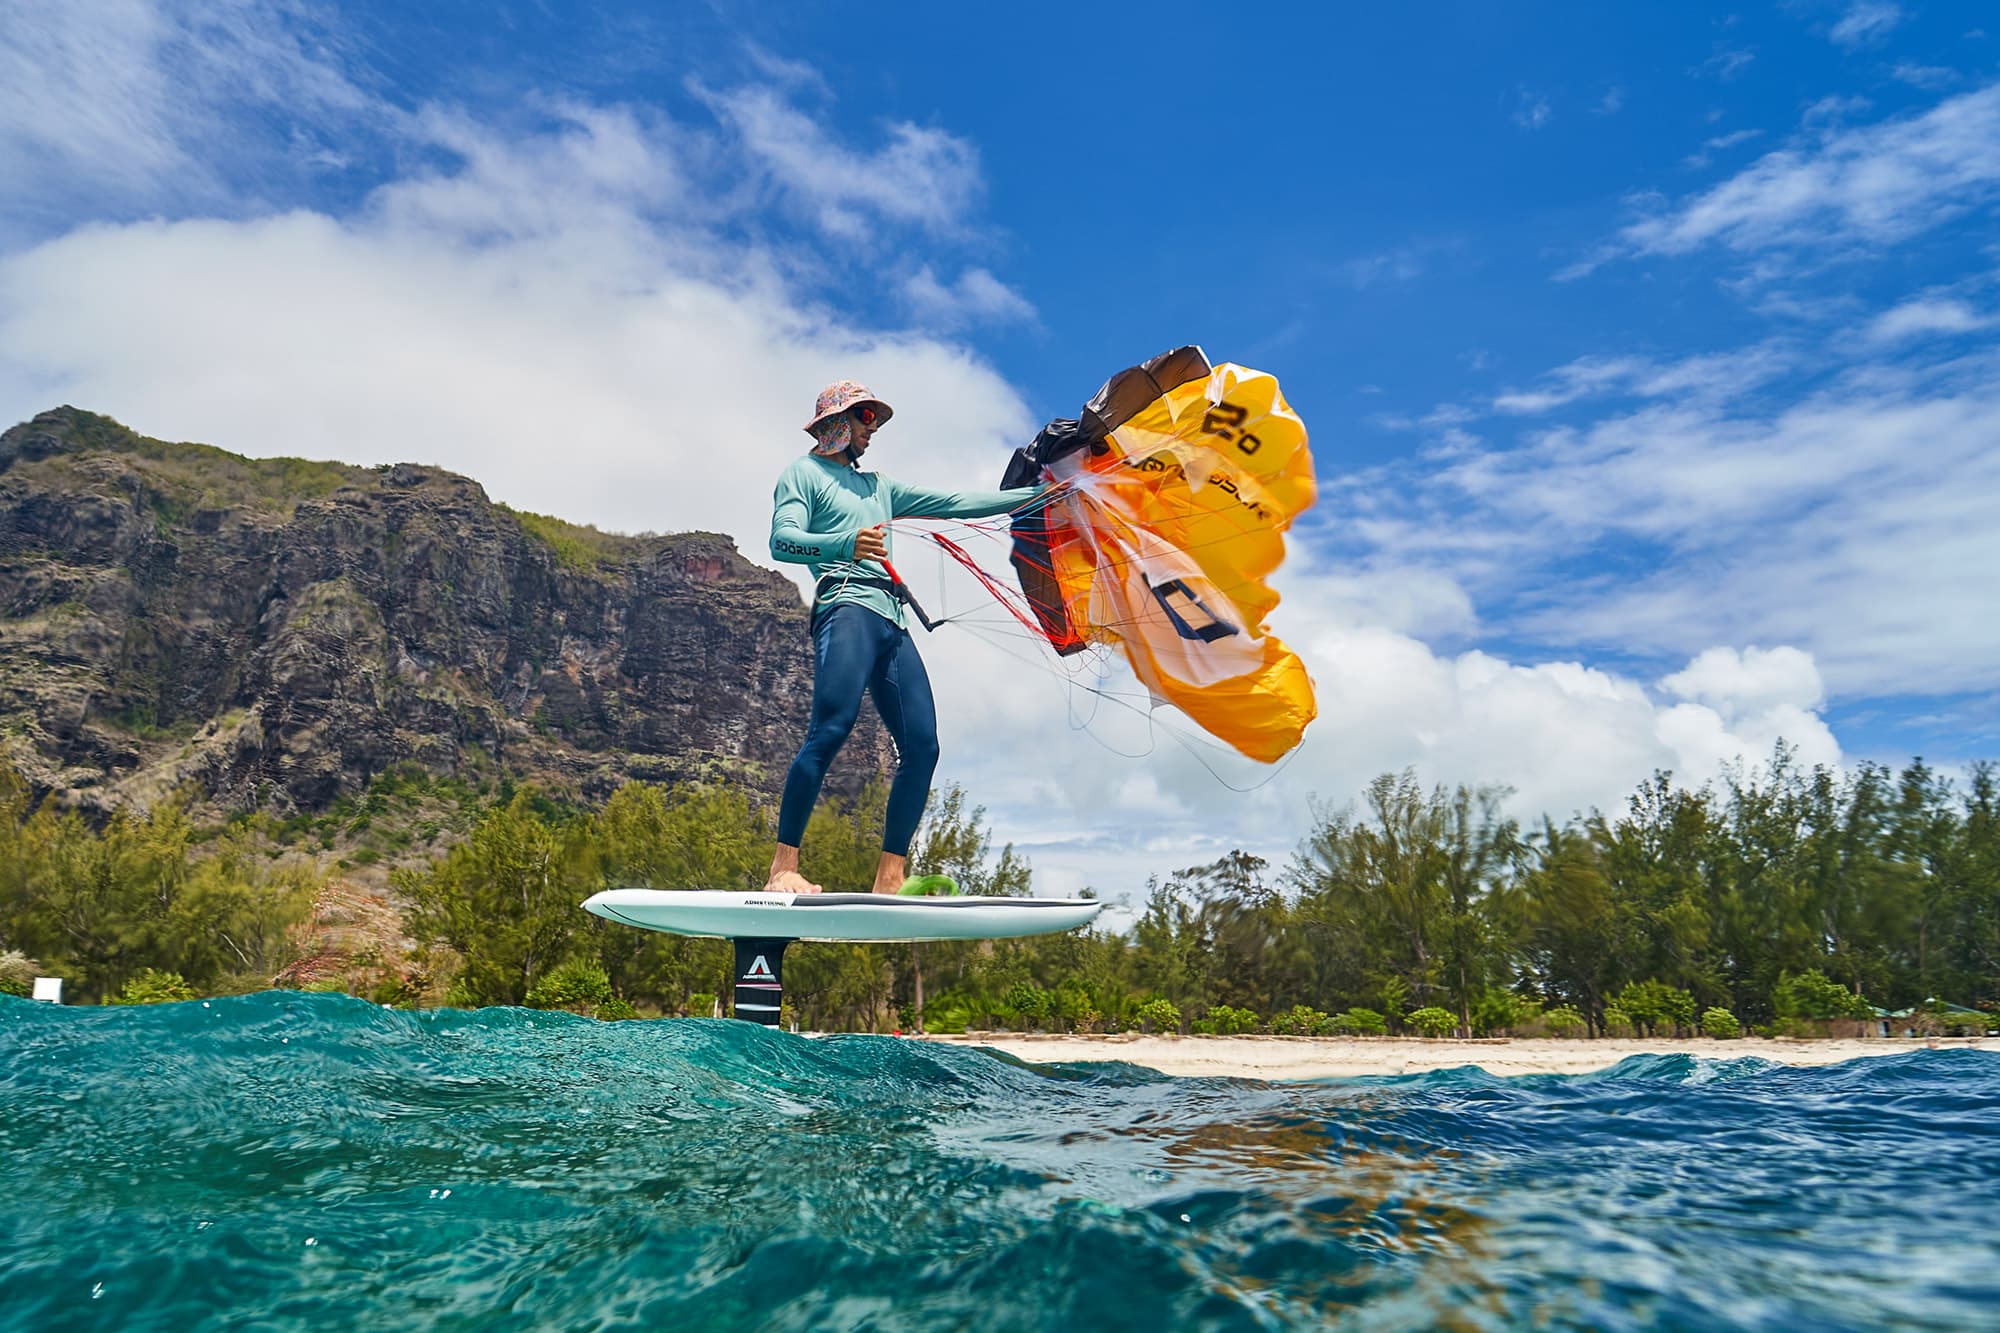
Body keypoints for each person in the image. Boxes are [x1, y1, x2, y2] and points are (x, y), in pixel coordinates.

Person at [765, 380, 1045, 895]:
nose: (874, 430)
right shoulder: (802, 474)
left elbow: (957, 502)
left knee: (923, 744)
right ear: (838, 423)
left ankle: (889, 876)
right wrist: (845, 542)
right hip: (845, 603)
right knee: (831, 728)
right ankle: (783, 868)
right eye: (866, 419)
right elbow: (782, 541)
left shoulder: (880, 487)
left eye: (875, 421)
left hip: (892, 619)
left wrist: (1039, 495)